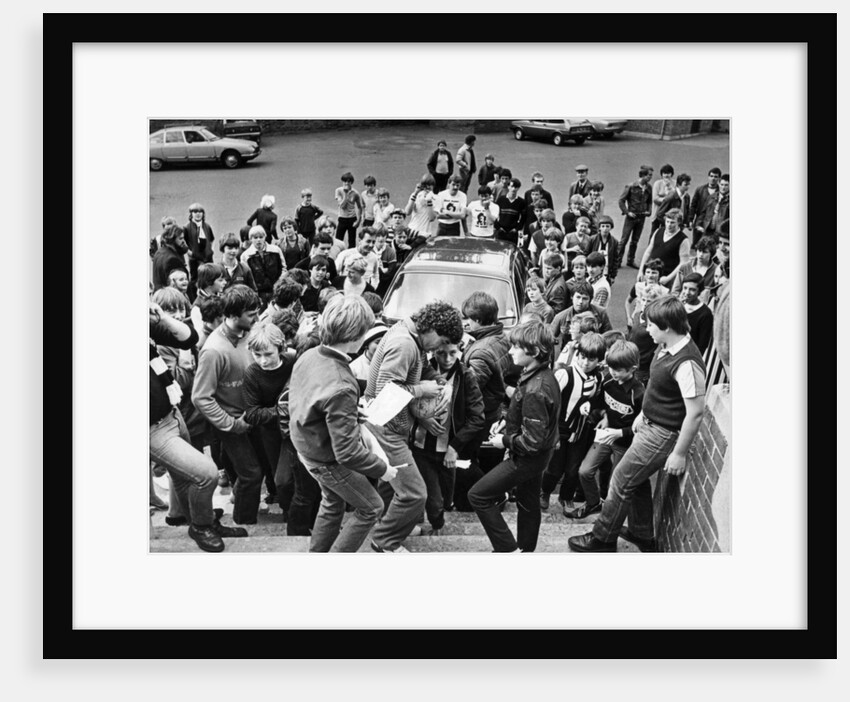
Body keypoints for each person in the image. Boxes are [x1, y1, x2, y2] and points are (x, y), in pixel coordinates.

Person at [569, 296, 707, 553]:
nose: (646, 328)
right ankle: (641, 533)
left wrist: (678, 453)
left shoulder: (687, 363)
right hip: (649, 424)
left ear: (666, 326)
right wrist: (642, 415)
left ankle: (602, 539)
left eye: (651, 324)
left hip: (663, 434)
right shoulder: (665, 345)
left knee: (620, 479)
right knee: (637, 481)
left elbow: (695, 413)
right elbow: (658, 388)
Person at [288, 295, 394, 552]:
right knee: (372, 507)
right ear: (357, 334)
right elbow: (347, 453)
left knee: (332, 501)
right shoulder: (342, 384)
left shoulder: (311, 354)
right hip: (325, 459)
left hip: (306, 445)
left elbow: (312, 400)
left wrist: (346, 413)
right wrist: (383, 469)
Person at [364, 301, 463, 553]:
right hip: (385, 428)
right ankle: (385, 541)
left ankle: (392, 526)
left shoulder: (412, 335)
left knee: (390, 484)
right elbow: (386, 392)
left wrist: (435, 378)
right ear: (431, 328)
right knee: (415, 494)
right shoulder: (404, 344)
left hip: (389, 426)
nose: (439, 348)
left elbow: (422, 365)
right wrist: (423, 389)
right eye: (440, 342)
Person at [149, 298, 247, 552]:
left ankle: (201, 522)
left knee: (184, 477)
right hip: (151, 428)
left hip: (171, 413)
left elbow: (188, 338)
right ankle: (201, 526)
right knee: (206, 473)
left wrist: (161, 316)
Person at [468, 321, 561, 553]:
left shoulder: (536, 388)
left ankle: (508, 550)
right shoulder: (540, 375)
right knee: (529, 504)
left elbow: (532, 442)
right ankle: (525, 551)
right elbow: (534, 419)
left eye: (516, 347)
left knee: (478, 495)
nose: (510, 351)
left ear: (535, 352)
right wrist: (508, 422)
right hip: (540, 456)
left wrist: (505, 441)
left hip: (527, 458)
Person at [192, 284, 266, 525]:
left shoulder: (248, 334)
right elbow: (201, 397)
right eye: (251, 314)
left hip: (251, 417)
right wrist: (232, 424)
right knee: (252, 474)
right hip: (232, 422)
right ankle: (244, 524)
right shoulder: (213, 350)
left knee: (250, 470)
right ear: (233, 315)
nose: (256, 318)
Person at [411, 339, 485, 532]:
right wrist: (422, 419)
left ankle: (437, 523)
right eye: (441, 353)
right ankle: (430, 524)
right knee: (432, 500)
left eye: (452, 353)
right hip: (421, 446)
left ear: (460, 350)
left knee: (445, 498)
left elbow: (477, 417)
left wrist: (455, 447)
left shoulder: (466, 375)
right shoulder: (422, 369)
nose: (447, 359)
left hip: (448, 449)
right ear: (433, 351)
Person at [566, 340, 645, 519]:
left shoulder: (638, 393)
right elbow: (600, 402)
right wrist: (604, 415)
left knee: (615, 485)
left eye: (618, 370)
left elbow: (645, 427)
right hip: (604, 435)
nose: (613, 373)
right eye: (611, 368)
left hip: (624, 443)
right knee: (584, 471)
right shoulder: (608, 379)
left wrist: (620, 433)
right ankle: (594, 503)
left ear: (632, 369)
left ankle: (609, 517)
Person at [539, 332, 606, 513]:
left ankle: (566, 497)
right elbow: (550, 402)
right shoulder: (564, 374)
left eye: (591, 360)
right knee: (554, 468)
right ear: (577, 354)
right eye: (583, 357)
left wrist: (595, 410)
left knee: (573, 469)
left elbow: (597, 401)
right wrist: (551, 432)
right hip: (560, 429)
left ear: (599, 360)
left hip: (581, 430)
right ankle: (544, 491)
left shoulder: (598, 378)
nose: (586, 363)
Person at [458, 291, 512, 510]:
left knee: (464, 459)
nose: (466, 323)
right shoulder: (499, 338)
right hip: (494, 409)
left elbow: (470, 388)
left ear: (479, 321)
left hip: (482, 414)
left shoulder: (481, 351)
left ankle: (486, 499)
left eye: (469, 319)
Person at [243, 323, 295, 512]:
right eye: (257, 355)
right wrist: (282, 410)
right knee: (279, 478)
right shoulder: (252, 374)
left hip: (294, 429)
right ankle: (287, 511)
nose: (263, 361)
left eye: (268, 354)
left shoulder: (292, 361)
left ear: (281, 349)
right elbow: (252, 413)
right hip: (270, 433)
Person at [550, 282, 613, 354]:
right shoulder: (561, 317)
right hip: (570, 353)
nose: (580, 302)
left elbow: (609, 337)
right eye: (578, 297)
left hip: (594, 352)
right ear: (572, 297)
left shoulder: (601, 313)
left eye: (585, 298)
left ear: (590, 299)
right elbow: (549, 339)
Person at [637, 208, 691, 288]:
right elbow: (648, 252)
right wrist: (641, 271)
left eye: (672, 223)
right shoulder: (658, 231)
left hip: (666, 278)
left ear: (679, 222)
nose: (669, 225)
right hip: (651, 275)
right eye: (667, 222)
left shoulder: (683, 240)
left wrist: (668, 279)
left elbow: (683, 263)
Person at [617, 165, 654, 268]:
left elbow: (649, 201)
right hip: (631, 217)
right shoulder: (631, 186)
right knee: (624, 240)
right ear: (643, 175)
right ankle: (618, 261)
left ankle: (630, 260)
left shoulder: (649, 187)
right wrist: (627, 212)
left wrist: (649, 211)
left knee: (635, 240)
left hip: (641, 217)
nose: (650, 177)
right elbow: (621, 200)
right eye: (649, 175)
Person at [241, 225, 287, 308]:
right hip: (259, 293)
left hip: (276, 290)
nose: (258, 240)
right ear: (251, 239)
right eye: (255, 237)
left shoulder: (276, 250)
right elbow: (246, 277)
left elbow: (284, 268)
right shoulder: (245, 256)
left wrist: (280, 283)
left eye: (261, 237)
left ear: (265, 237)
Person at [670, 236, 717, 302]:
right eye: (699, 251)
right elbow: (675, 292)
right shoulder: (685, 267)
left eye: (705, 252)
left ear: (711, 254)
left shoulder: (716, 270)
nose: (700, 255)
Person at [680, 272, 714, 354]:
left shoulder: (705, 313)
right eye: (685, 288)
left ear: (699, 291)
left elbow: (702, 345)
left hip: (688, 354)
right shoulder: (678, 306)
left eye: (692, 290)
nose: (687, 292)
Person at [688, 167, 722, 246]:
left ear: (719, 178)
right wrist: (690, 220)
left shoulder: (720, 192)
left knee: (710, 246)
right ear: (708, 177)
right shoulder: (700, 190)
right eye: (711, 176)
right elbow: (693, 205)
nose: (713, 178)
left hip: (712, 224)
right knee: (696, 244)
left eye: (715, 176)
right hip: (699, 221)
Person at [651, 173, 691, 238]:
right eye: (685, 185)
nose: (688, 187)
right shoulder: (670, 197)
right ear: (678, 185)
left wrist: (687, 223)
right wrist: (669, 224)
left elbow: (686, 210)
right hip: (669, 230)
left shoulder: (687, 197)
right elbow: (660, 214)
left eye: (689, 184)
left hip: (679, 228)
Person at [348, 323, 388, 389]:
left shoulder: (391, 363)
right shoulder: (354, 369)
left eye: (385, 342)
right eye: (378, 342)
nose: (382, 346)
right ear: (366, 345)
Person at [190, 263, 225, 335]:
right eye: (220, 280)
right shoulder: (197, 308)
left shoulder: (222, 297)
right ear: (209, 282)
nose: (225, 282)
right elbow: (200, 332)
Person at [152, 224, 189, 291]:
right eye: (180, 238)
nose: (183, 241)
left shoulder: (159, 252)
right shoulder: (172, 260)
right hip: (170, 297)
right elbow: (179, 286)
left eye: (183, 238)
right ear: (172, 240)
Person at [185, 203, 215, 282]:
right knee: (196, 280)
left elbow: (211, 239)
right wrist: (191, 253)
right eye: (195, 212)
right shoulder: (187, 228)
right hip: (195, 260)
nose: (198, 214)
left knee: (210, 278)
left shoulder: (207, 226)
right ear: (191, 214)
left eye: (200, 212)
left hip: (208, 258)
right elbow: (184, 244)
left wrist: (211, 250)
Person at [587, 214, 620, 285]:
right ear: (599, 228)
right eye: (603, 226)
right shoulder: (592, 239)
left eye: (607, 226)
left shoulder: (614, 242)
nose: (605, 229)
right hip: (593, 269)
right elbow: (586, 254)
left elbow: (615, 259)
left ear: (611, 228)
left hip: (606, 270)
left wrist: (613, 275)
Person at [334, 172, 364, 248]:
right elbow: (342, 206)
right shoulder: (338, 191)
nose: (346, 183)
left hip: (352, 219)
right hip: (342, 219)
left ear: (351, 182)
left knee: (352, 241)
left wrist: (358, 221)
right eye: (344, 181)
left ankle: (351, 258)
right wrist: (346, 194)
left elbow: (360, 207)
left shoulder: (356, 193)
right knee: (338, 240)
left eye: (348, 181)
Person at [494, 177, 527, 246]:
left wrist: (517, 229)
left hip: (513, 233)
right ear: (508, 187)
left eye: (516, 187)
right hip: (501, 231)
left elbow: (523, 218)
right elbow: (494, 214)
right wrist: (498, 227)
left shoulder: (521, 202)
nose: (514, 189)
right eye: (512, 186)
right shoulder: (501, 200)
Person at [372, 228, 398, 296]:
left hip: (384, 286)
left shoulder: (391, 251)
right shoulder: (370, 249)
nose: (381, 238)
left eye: (383, 236)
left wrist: (379, 271)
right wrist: (382, 270)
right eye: (378, 235)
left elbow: (390, 273)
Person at [704, 173, 730, 240]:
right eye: (722, 184)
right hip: (708, 231)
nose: (723, 187)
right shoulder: (711, 197)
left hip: (721, 235)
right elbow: (703, 213)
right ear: (718, 184)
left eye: (726, 185)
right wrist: (700, 226)